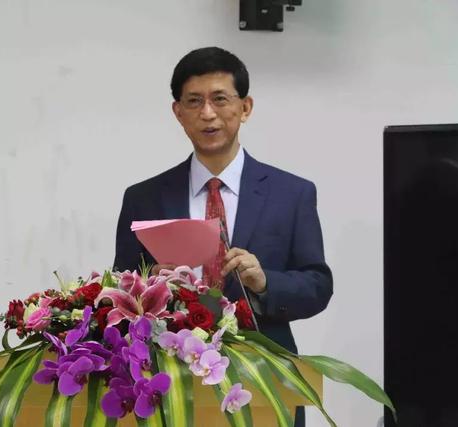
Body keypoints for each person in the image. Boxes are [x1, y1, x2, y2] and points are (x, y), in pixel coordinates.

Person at [113, 47, 333, 426]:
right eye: (194, 101)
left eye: (220, 99)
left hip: (264, 380)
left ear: (245, 107)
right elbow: (121, 292)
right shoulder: (144, 197)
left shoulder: (291, 194)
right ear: (178, 112)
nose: (207, 113)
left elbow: (317, 285)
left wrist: (265, 283)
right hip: (171, 385)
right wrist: (152, 287)